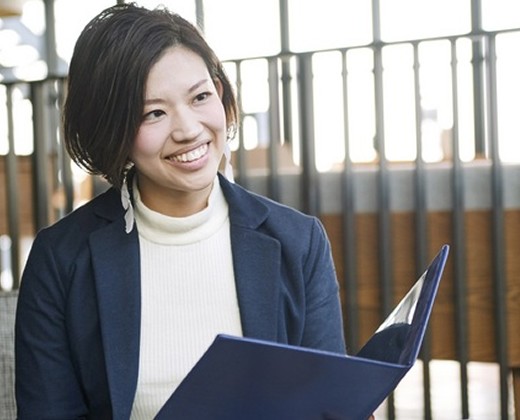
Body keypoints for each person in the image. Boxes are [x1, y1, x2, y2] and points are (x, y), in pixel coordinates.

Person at [14, 3, 347, 419]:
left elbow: (324, 400)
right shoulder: (61, 258)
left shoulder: (298, 241)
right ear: (112, 129)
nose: (188, 129)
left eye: (200, 97)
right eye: (154, 112)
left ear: (221, 96)